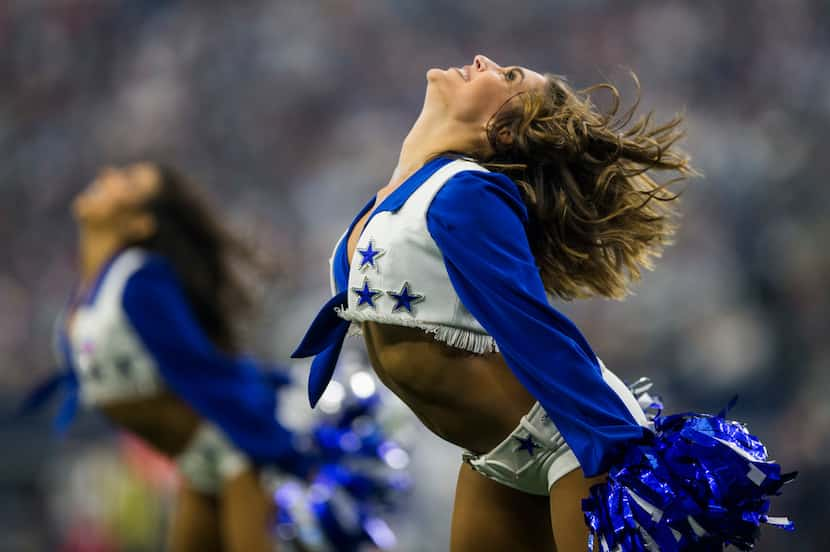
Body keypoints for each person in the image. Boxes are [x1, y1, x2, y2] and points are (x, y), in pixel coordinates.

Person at [292, 55, 793, 551]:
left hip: (572, 441)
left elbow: (532, 324)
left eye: (508, 77)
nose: (482, 60)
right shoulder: (400, 195)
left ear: (504, 132)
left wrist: (623, 453)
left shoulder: (466, 189)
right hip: (494, 458)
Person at [51, 162, 311, 552]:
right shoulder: (93, 288)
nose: (108, 174)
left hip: (238, 454)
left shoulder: (140, 279)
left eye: (129, 183)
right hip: (198, 463)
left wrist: (284, 449)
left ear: (140, 224)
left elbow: (203, 371)